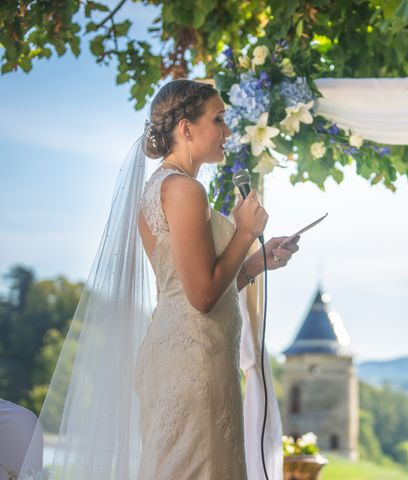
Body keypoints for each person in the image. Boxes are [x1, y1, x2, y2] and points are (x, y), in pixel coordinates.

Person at [20, 80, 297, 480]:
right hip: (194, 364)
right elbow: (202, 296)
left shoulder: (159, 188)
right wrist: (242, 233)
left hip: (186, 353)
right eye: (218, 120)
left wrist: (258, 262)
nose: (227, 131)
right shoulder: (184, 190)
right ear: (186, 128)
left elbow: (186, 291)